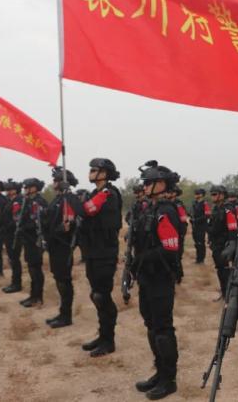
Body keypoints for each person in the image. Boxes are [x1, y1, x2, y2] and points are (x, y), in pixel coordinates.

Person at [132, 161, 182, 400]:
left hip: (161, 277)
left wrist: (142, 258)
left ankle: (169, 379)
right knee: (151, 327)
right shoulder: (149, 209)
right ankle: (159, 371)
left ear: (161, 184)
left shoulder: (166, 211)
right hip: (147, 277)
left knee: (162, 330)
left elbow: (171, 248)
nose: (145, 186)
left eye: (149, 183)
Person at [79, 158, 122, 357]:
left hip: (105, 253)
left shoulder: (108, 193)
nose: (91, 172)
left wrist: (74, 202)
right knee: (95, 295)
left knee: (102, 296)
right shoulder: (95, 193)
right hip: (93, 252)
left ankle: (109, 340)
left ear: (105, 173)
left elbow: (88, 210)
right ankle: (102, 335)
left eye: (95, 170)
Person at [44, 167, 81, 328]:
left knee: (64, 281)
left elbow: (72, 221)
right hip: (54, 245)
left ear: (62, 182)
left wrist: (63, 228)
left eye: (56, 180)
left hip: (63, 246)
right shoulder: (57, 199)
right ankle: (62, 312)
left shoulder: (69, 198)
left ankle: (66, 316)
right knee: (59, 279)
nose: (53, 183)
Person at [18, 178, 48, 308]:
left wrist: (25, 227)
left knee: (35, 269)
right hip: (28, 240)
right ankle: (33, 295)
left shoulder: (39, 201)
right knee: (31, 268)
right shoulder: (28, 201)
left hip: (35, 240)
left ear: (35, 188)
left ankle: (38, 297)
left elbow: (40, 221)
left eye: (28, 187)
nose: (26, 190)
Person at [207, 184, 238, 300]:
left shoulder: (228, 209)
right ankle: (224, 292)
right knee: (220, 270)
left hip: (224, 244)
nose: (212, 196)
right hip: (216, 244)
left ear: (222, 195)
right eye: (211, 194)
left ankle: (229, 295)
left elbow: (232, 227)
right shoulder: (215, 208)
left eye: (215, 194)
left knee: (226, 271)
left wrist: (231, 244)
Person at [2, 180, 24, 293]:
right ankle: (14, 282)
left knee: (15, 260)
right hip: (9, 234)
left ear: (16, 190)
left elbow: (16, 219)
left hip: (14, 234)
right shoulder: (10, 201)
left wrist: (7, 227)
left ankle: (17, 284)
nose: (8, 191)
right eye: (7, 189)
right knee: (12, 259)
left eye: (10, 189)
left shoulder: (17, 201)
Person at [166, 185, 188, 283]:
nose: (168, 194)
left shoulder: (178, 205)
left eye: (170, 192)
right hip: (169, 233)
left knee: (177, 256)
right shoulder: (167, 203)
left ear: (175, 193)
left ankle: (178, 276)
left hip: (178, 233)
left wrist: (181, 234)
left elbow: (183, 220)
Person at [190, 188, 210, 264]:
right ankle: (198, 258)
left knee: (201, 242)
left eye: (198, 194)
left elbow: (207, 215)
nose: (196, 195)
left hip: (201, 226)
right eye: (195, 194)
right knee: (196, 243)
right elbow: (192, 213)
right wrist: (191, 219)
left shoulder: (205, 203)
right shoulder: (194, 203)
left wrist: (197, 220)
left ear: (202, 195)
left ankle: (201, 259)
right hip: (195, 226)